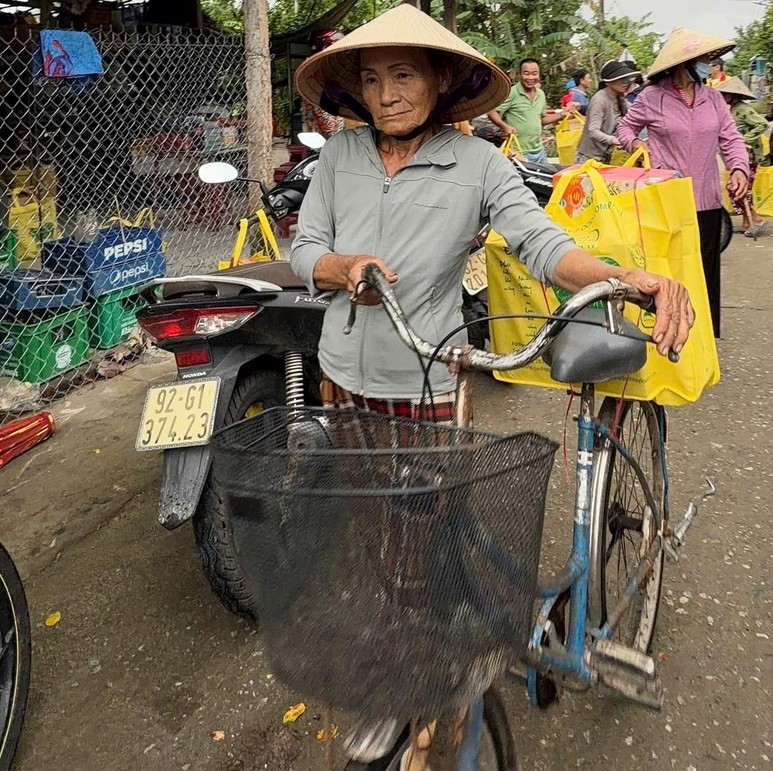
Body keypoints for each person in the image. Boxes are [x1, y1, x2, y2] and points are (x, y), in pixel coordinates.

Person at [292, 9, 694, 761]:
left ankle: (410, 682)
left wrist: (623, 277)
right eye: (372, 80)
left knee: (420, 549)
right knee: (370, 543)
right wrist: (341, 268)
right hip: (344, 378)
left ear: (443, 80)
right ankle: (398, 674)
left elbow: (542, 244)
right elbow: (304, 246)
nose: (387, 95)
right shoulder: (340, 158)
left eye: (404, 74)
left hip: (431, 384)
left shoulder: (480, 165)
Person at [618, 27, 749, 339]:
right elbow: (625, 128)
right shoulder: (652, 97)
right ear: (683, 62)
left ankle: (703, 336)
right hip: (667, 199)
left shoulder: (714, 100)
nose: (709, 64)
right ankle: (666, 332)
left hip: (706, 201)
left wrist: (739, 168)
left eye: (710, 59)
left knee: (705, 270)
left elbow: (731, 139)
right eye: (703, 58)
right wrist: (638, 145)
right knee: (669, 270)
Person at [486, 58, 569, 164]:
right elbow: (492, 112)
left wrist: (562, 114)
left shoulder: (541, 94)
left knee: (544, 180)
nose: (530, 78)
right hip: (519, 153)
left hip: (539, 152)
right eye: (526, 73)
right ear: (520, 74)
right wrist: (505, 126)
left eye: (534, 74)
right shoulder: (512, 93)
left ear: (539, 75)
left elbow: (541, 119)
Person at [714, 78, 768, 237]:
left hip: (748, 156)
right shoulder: (729, 110)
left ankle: (756, 218)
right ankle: (746, 223)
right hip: (735, 156)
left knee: (738, 188)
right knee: (742, 189)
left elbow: (762, 124)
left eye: (724, 94)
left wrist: (746, 138)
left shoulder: (744, 110)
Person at [575, 60, 639, 164]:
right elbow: (593, 131)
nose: (624, 82)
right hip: (589, 158)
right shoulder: (599, 100)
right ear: (608, 82)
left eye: (625, 79)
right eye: (620, 79)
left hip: (605, 156)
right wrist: (613, 140)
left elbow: (635, 111)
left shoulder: (619, 98)